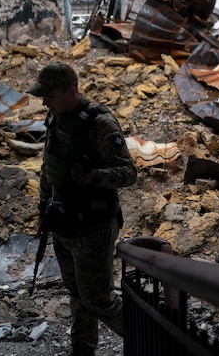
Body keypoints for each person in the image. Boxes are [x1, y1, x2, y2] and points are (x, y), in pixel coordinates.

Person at [27, 61, 138, 356]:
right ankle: (82, 350)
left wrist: (95, 177)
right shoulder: (58, 118)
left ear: (70, 91)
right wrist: (43, 209)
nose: (44, 102)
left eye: (49, 95)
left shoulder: (99, 123)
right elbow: (49, 168)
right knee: (78, 294)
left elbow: (129, 172)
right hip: (63, 223)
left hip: (93, 227)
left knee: (99, 300)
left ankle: (153, 341)